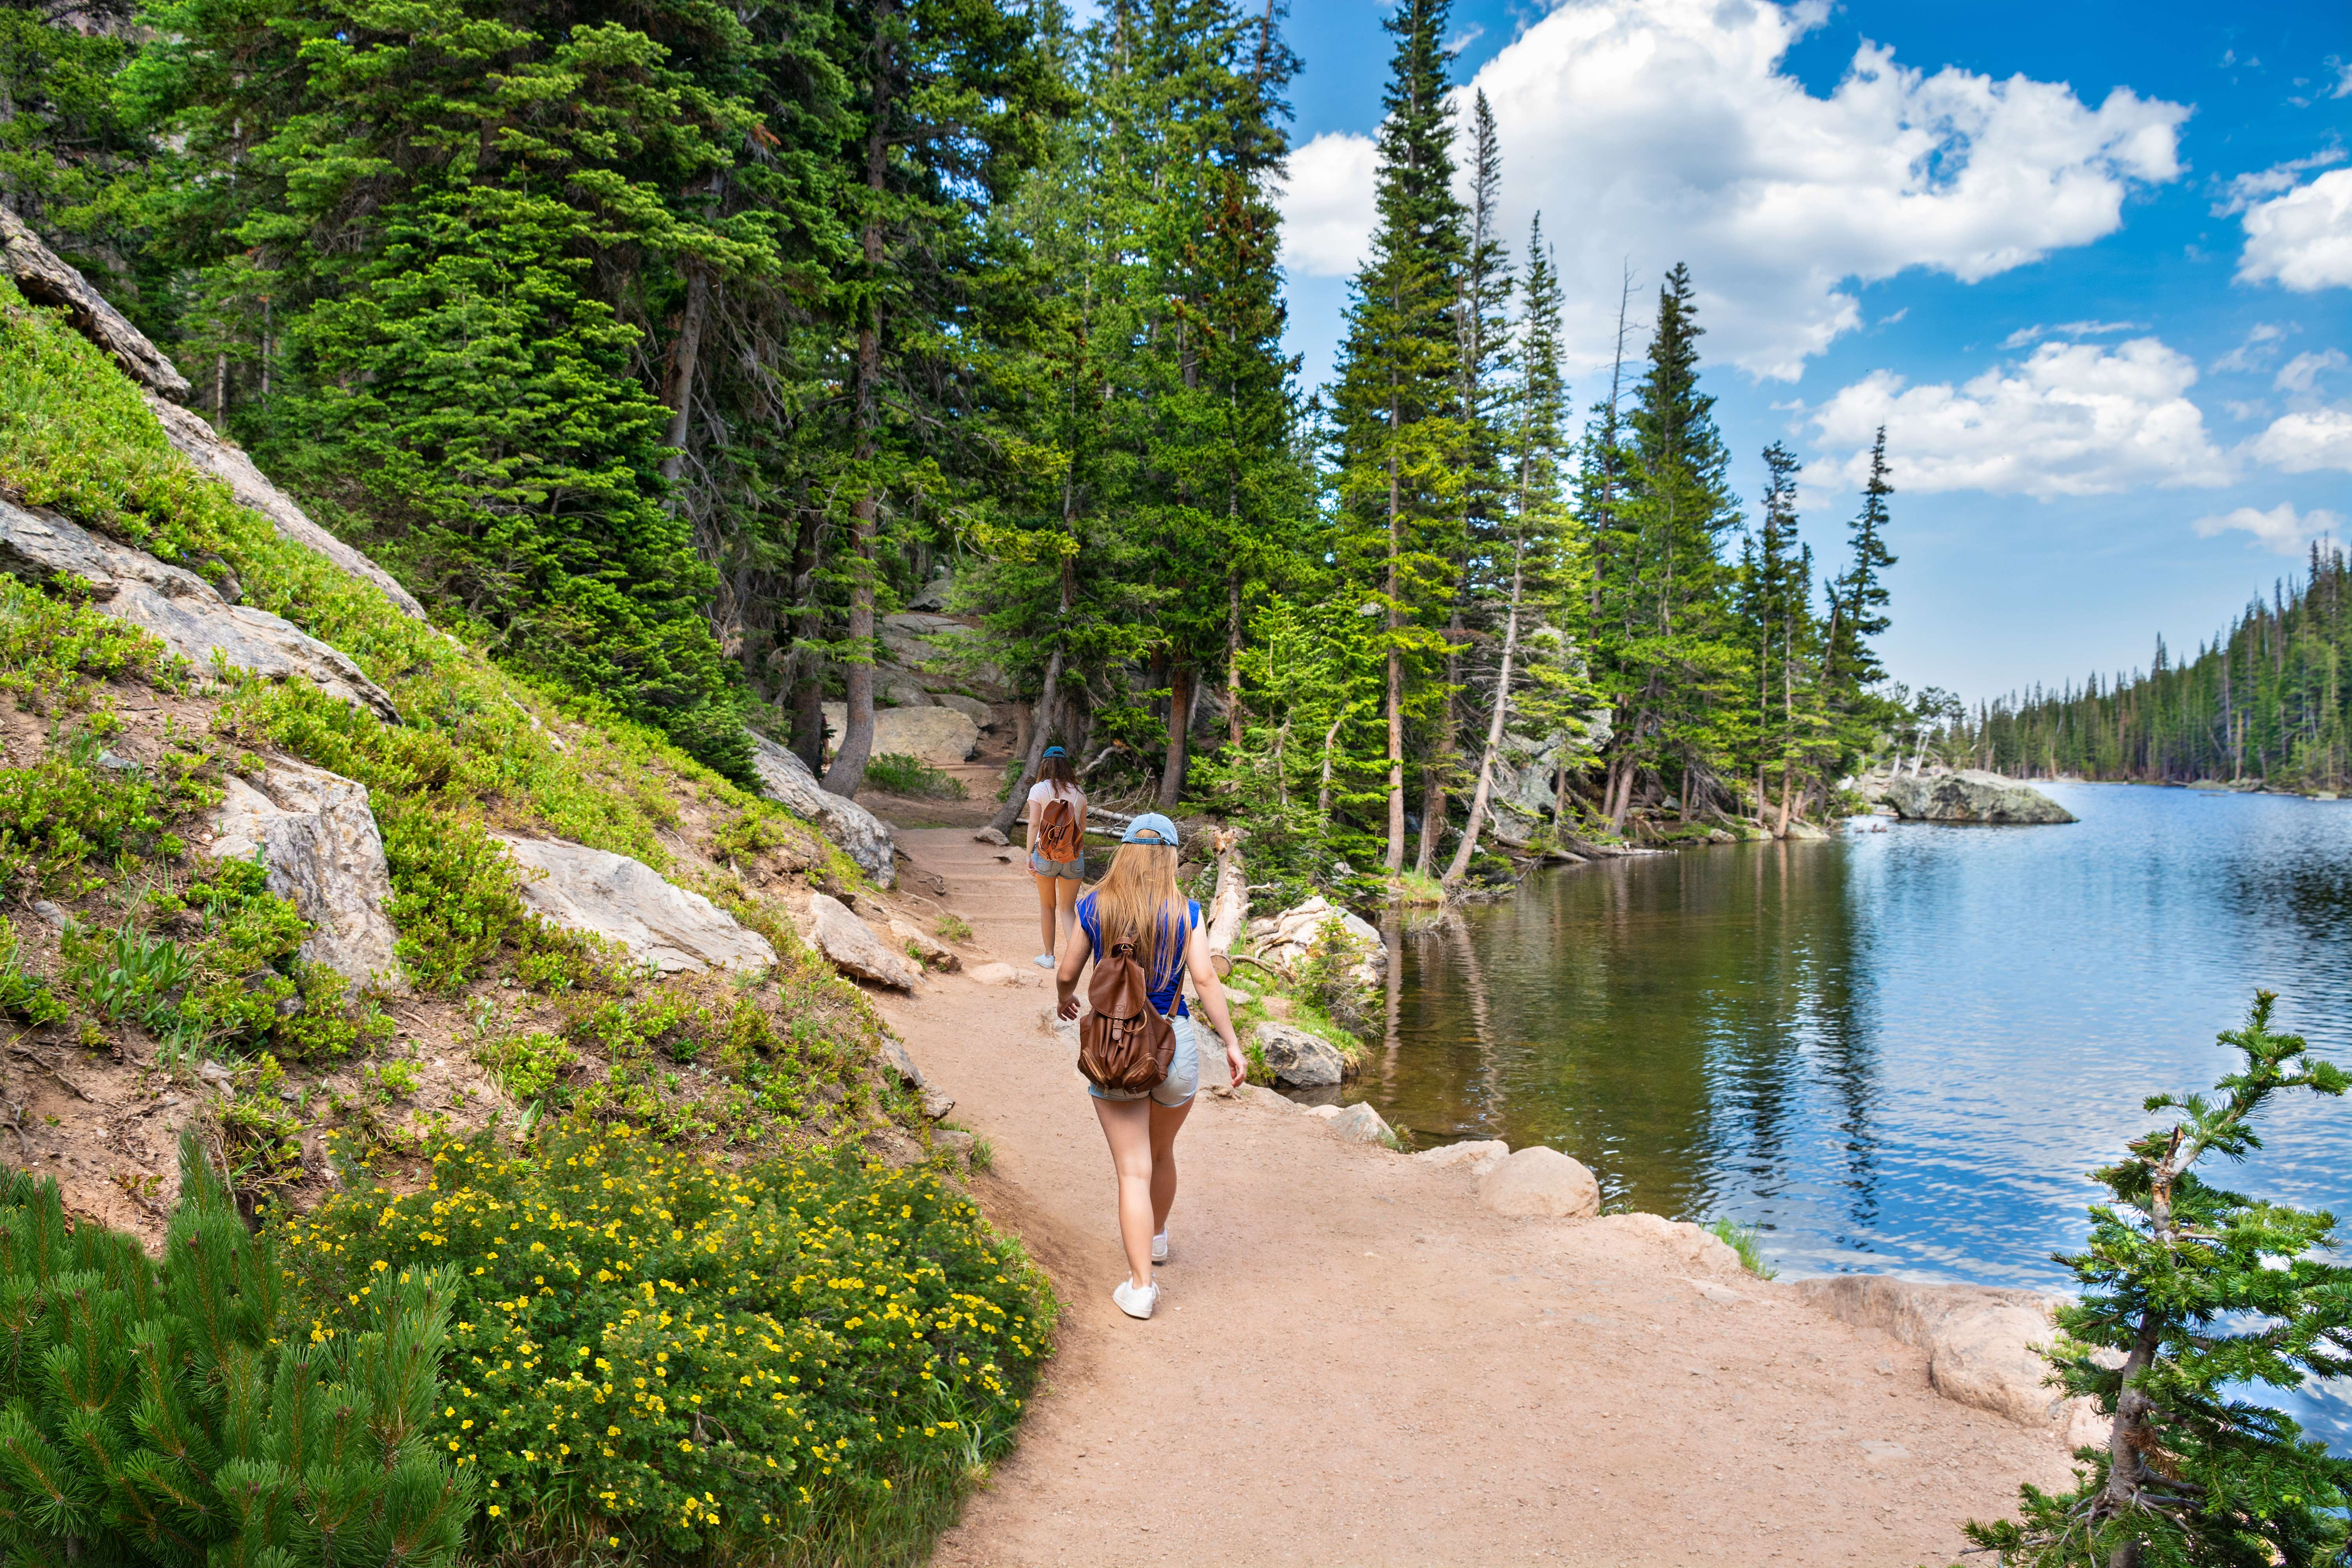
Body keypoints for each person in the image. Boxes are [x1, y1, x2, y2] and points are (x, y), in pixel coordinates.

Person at [1055, 813, 1247, 1321]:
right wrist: (1231, 1043)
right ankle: (1157, 1238)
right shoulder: (1186, 911)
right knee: (1160, 1153)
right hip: (1174, 1047)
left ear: (1124, 851)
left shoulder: (1095, 905)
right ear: (1169, 857)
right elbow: (1204, 980)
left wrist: (1063, 999)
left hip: (1116, 1047)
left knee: (1132, 1170)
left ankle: (1141, 1288)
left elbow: (1068, 971)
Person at [1022, 746, 1087, 968]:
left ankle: (1049, 957)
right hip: (1073, 856)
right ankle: (1075, 961)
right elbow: (1083, 827)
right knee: (1068, 909)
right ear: (1067, 766)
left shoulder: (1038, 790)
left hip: (1045, 855)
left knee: (1047, 906)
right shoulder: (1079, 792)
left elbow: (1033, 824)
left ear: (1045, 766)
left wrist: (1029, 855)